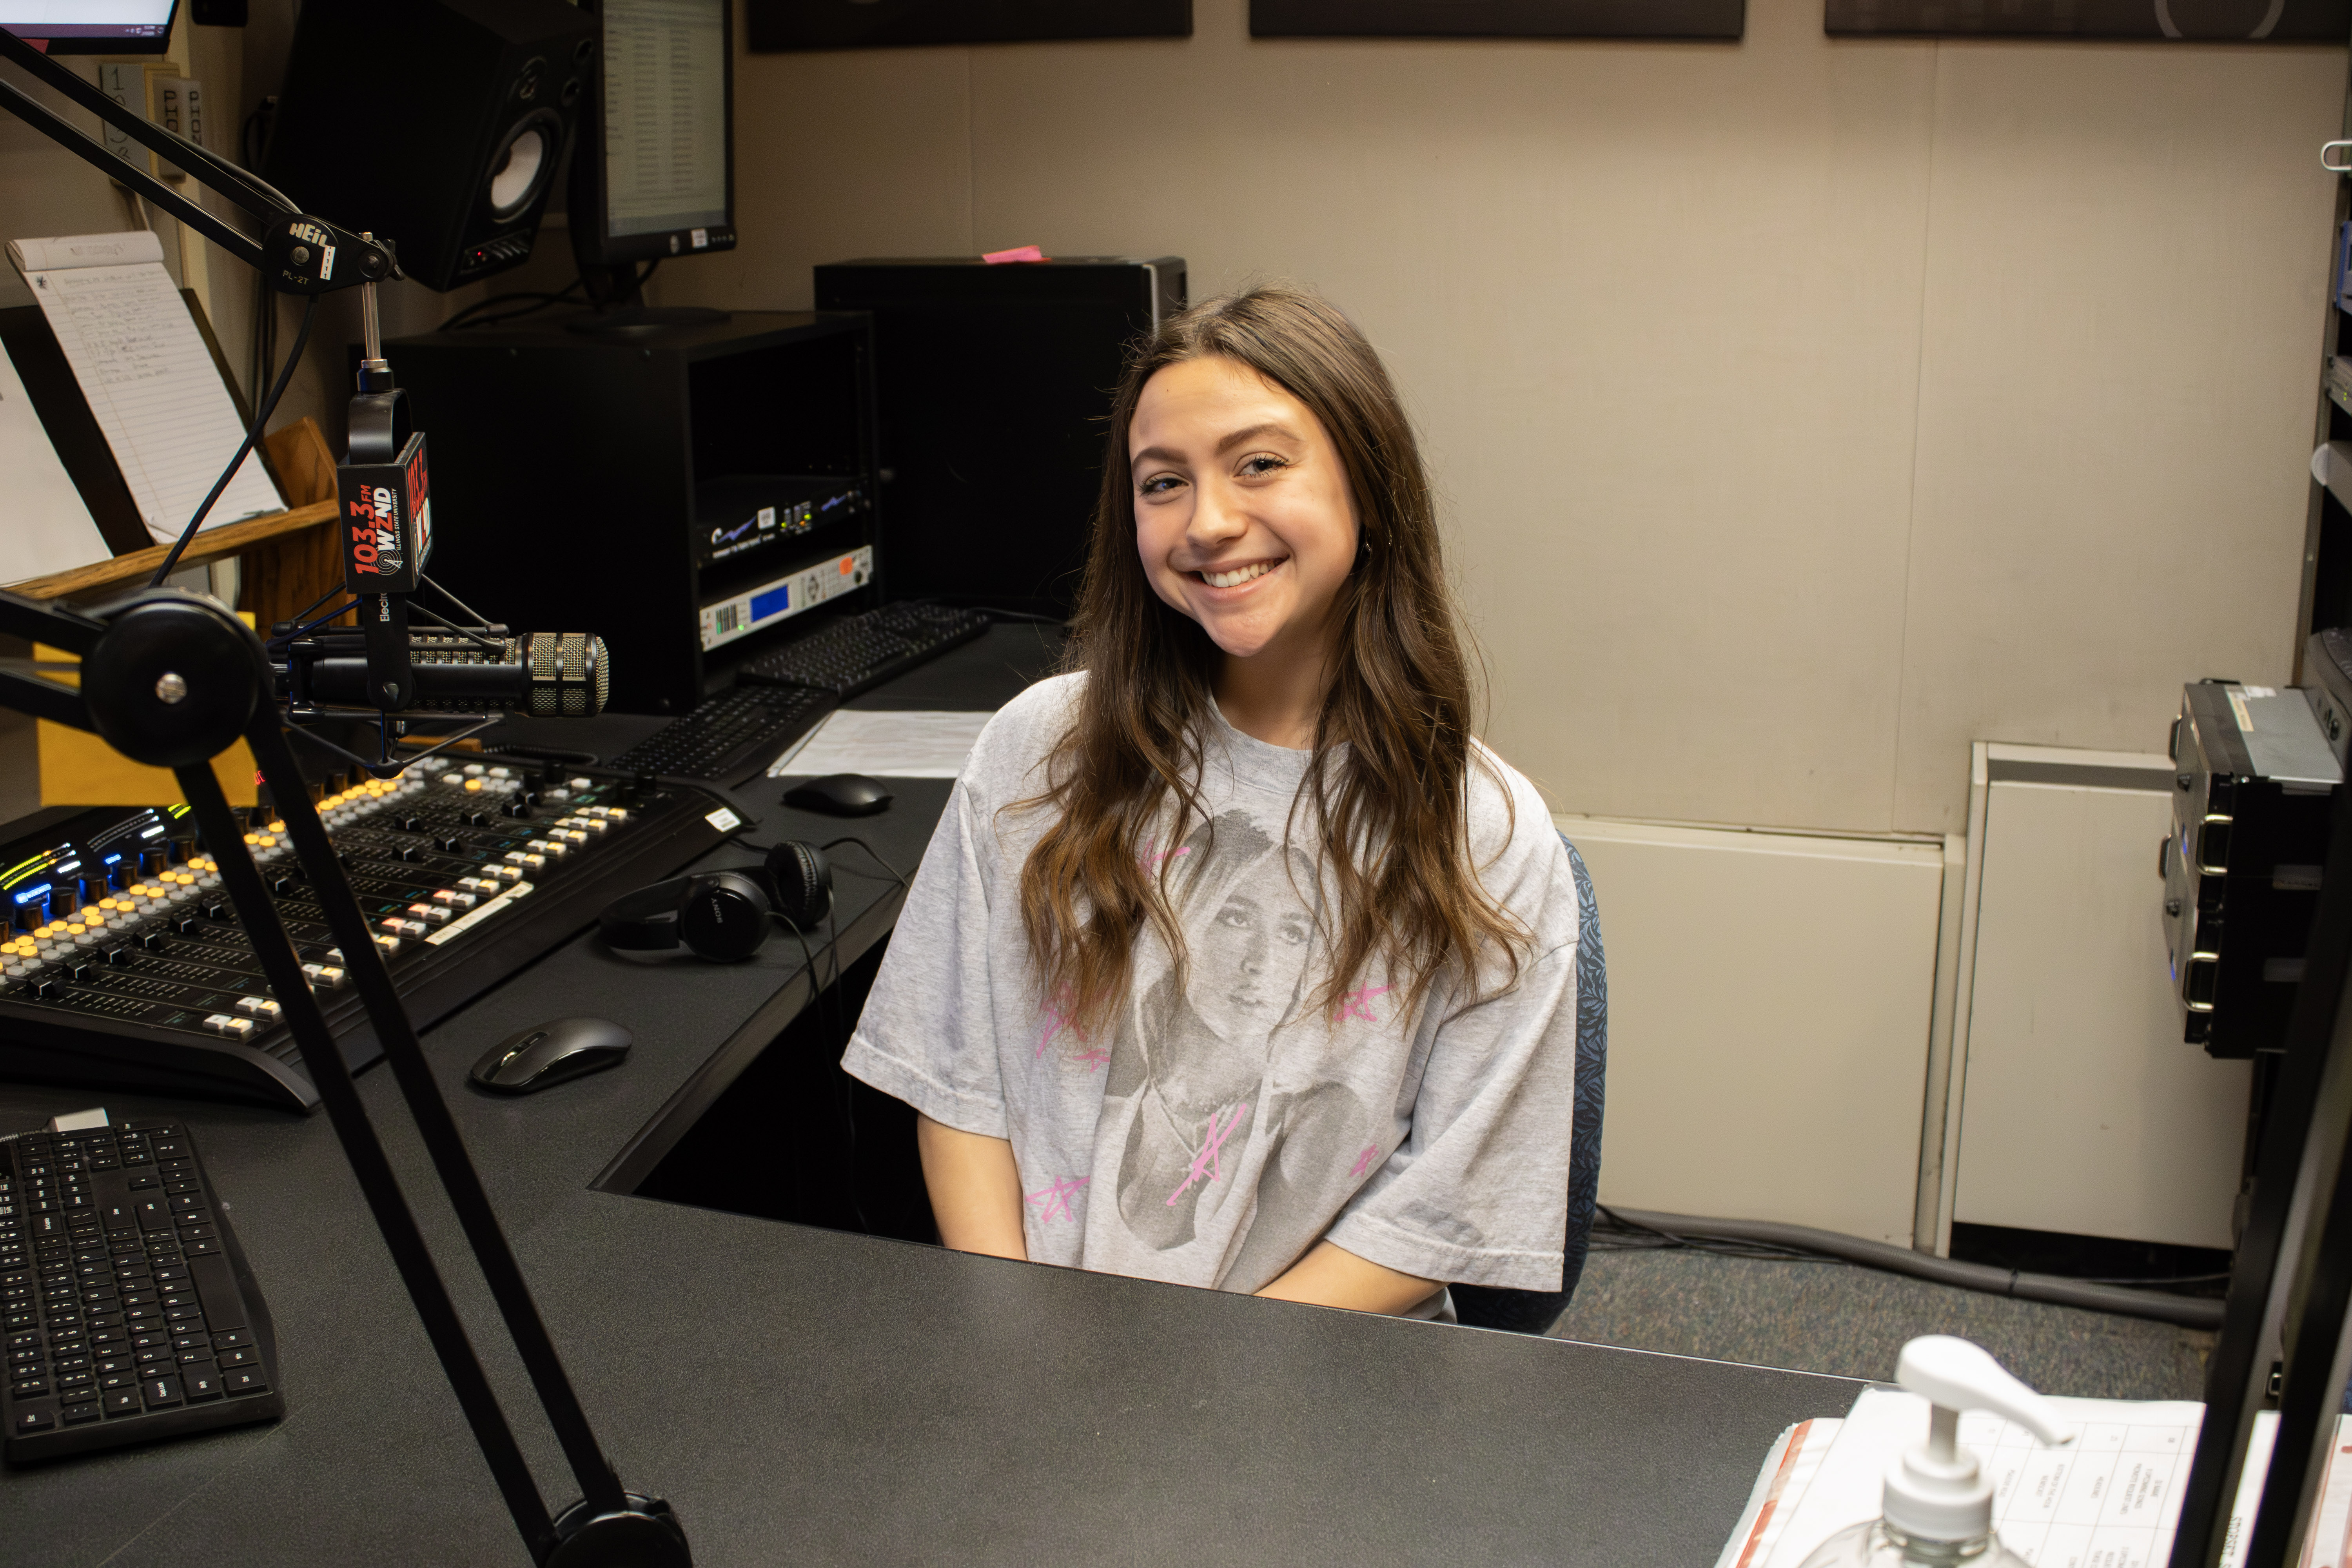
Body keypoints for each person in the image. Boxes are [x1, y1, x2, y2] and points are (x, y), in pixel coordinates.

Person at [842, 284, 1582, 1316]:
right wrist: (1016, 1341)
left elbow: (1445, 1212)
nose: (1211, 522)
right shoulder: (1039, 753)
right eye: (1163, 483)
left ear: (1369, 488)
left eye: (1260, 464)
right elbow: (962, 1087)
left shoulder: (1485, 834)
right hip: (1033, 1350)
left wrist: (1199, 1377)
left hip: (1302, 1367)